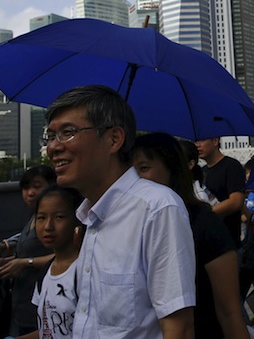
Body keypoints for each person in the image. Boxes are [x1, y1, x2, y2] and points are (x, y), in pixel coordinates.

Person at [44, 85, 195, 338]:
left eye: (68, 133)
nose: (53, 147)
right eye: (50, 136)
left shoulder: (157, 209)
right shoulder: (88, 218)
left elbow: (178, 329)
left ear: (114, 139)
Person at [131, 132, 249, 339]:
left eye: (144, 168)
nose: (135, 179)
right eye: (130, 171)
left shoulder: (203, 222)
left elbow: (229, 312)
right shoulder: (123, 222)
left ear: (173, 169)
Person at [0, 165, 57, 336]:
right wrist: (8, 262)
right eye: (26, 188)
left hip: (44, 303)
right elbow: (28, 254)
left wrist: (25, 263)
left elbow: (69, 257)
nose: (30, 193)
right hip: (22, 302)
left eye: (37, 186)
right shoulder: (33, 217)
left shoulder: (59, 219)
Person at [14, 185, 85, 339]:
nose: (48, 226)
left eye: (59, 217)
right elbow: (48, 330)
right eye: (41, 218)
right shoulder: (46, 272)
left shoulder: (84, 271)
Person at [196, 136, 246, 246]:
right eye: (195, 141)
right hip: (207, 240)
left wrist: (205, 215)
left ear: (215, 141)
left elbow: (236, 202)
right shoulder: (202, 171)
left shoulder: (232, 166)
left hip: (227, 239)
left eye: (201, 140)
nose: (197, 145)